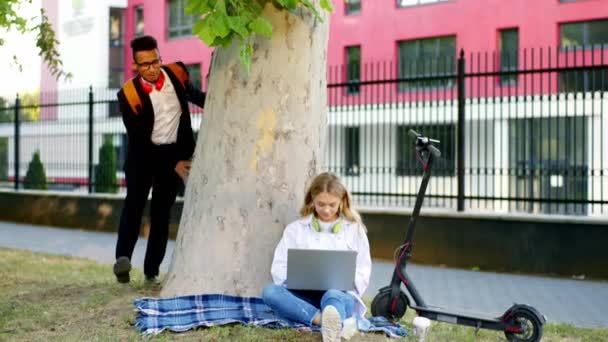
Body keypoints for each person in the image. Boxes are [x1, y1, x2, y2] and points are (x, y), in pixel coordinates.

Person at [112, 35, 206, 285]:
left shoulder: (177, 73)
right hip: (143, 159)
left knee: (161, 214)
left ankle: (151, 271)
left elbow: (199, 97)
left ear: (159, 57)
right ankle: (122, 259)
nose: (152, 68)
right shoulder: (128, 95)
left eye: (155, 61)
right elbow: (140, 141)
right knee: (134, 206)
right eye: (145, 65)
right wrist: (172, 162)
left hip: (175, 156)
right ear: (136, 65)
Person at [262, 172, 372, 342]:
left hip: (339, 297)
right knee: (269, 292)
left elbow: (364, 270)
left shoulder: (355, 231)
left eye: (332, 205)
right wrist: (295, 280)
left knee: (332, 295)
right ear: (312, 200)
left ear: (342, 202)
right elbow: (279, 267)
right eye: (320, 204)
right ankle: (324, 321)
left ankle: (328, 316)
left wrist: (345, 283)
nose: (326, 210)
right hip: (304, 297)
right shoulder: (295, 229)